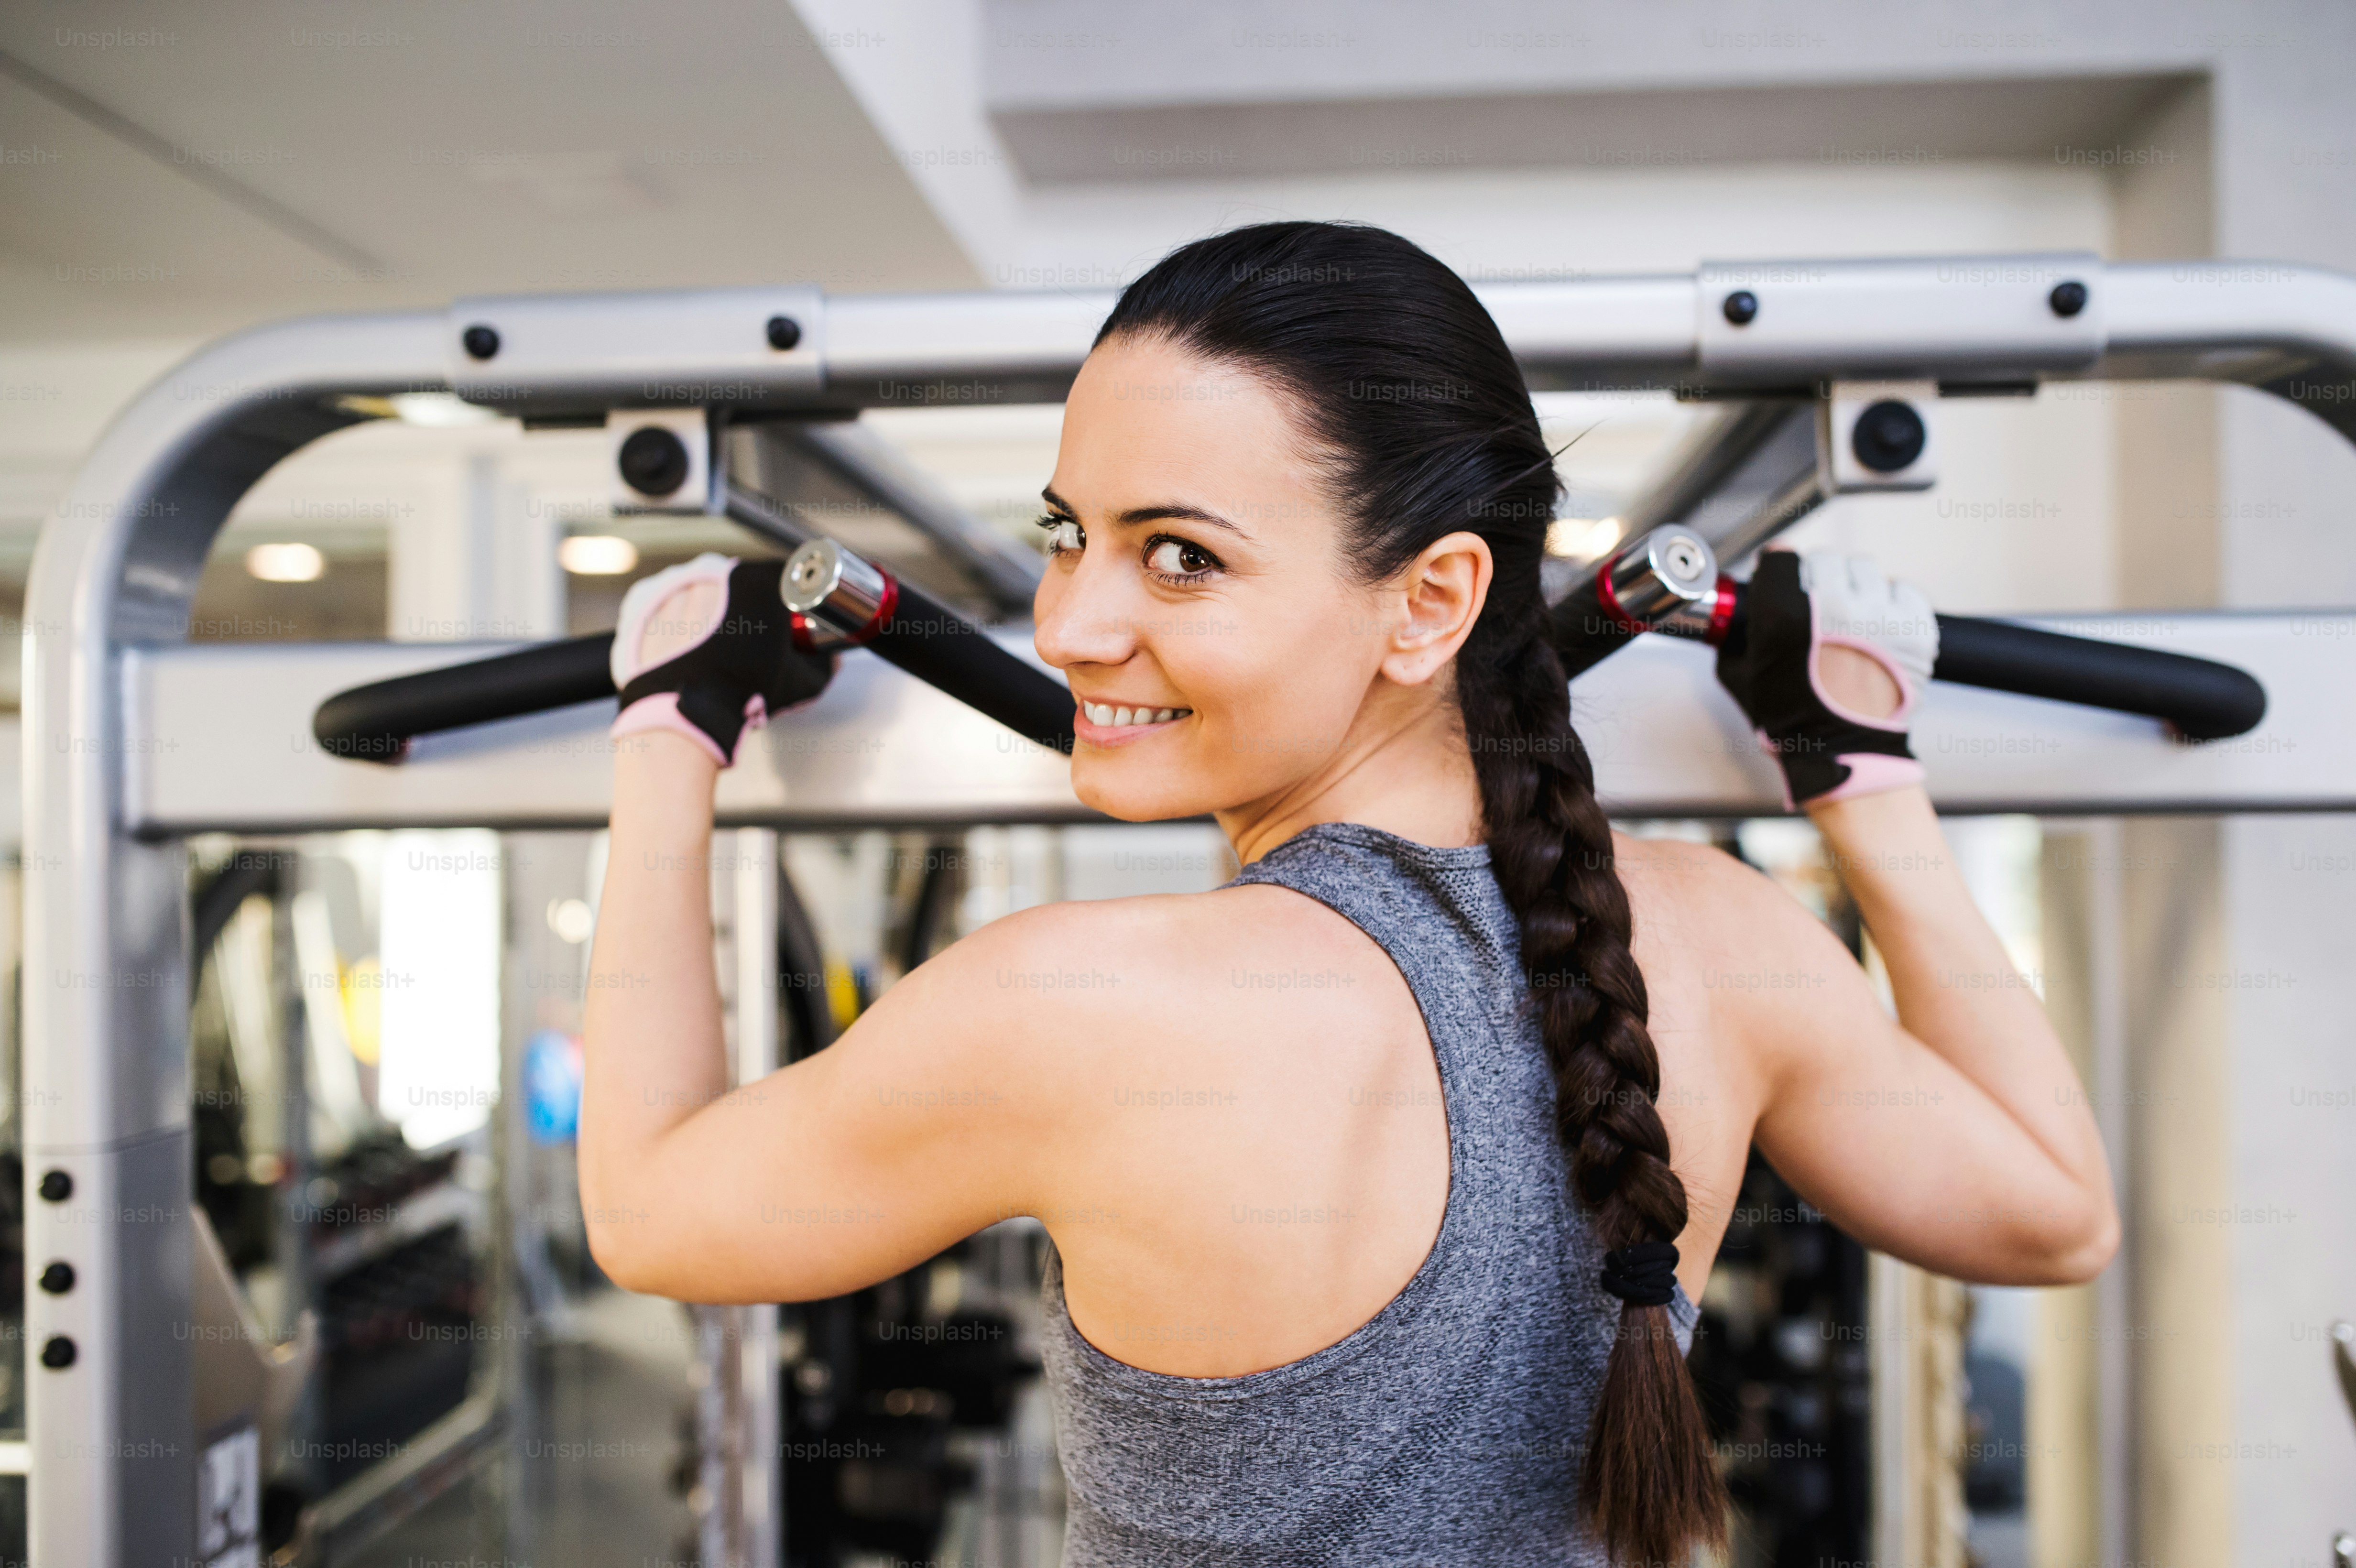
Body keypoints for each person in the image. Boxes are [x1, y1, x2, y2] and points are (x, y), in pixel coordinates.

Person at [578, 221, 2118, 1567]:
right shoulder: (1719, 941)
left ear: (1433, 601)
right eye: (1072, 535)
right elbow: (2054, 1217)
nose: (1070, 625)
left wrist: (670, 733)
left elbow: (647, 1212)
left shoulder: (1075, 1007)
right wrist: (1859, 772)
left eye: (1179, 558)